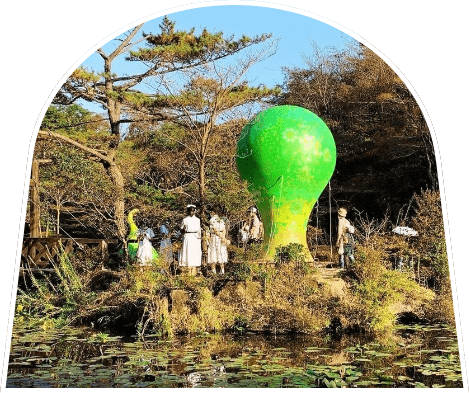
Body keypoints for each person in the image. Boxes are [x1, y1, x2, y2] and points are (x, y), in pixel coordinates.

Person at [178, 204, 202, 275]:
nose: (191, 213)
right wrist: (184, 230)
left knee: (194, 252)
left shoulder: (198, 220)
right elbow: (181, 229)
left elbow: (199, 230)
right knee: (187, 251)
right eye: (190, 211)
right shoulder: (185, 220)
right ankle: (187, 266)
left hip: (195, 237)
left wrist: (199, 237)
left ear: (194, 211)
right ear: (188, 211)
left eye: (193, 211)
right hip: (187, 236)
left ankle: (195, 267)